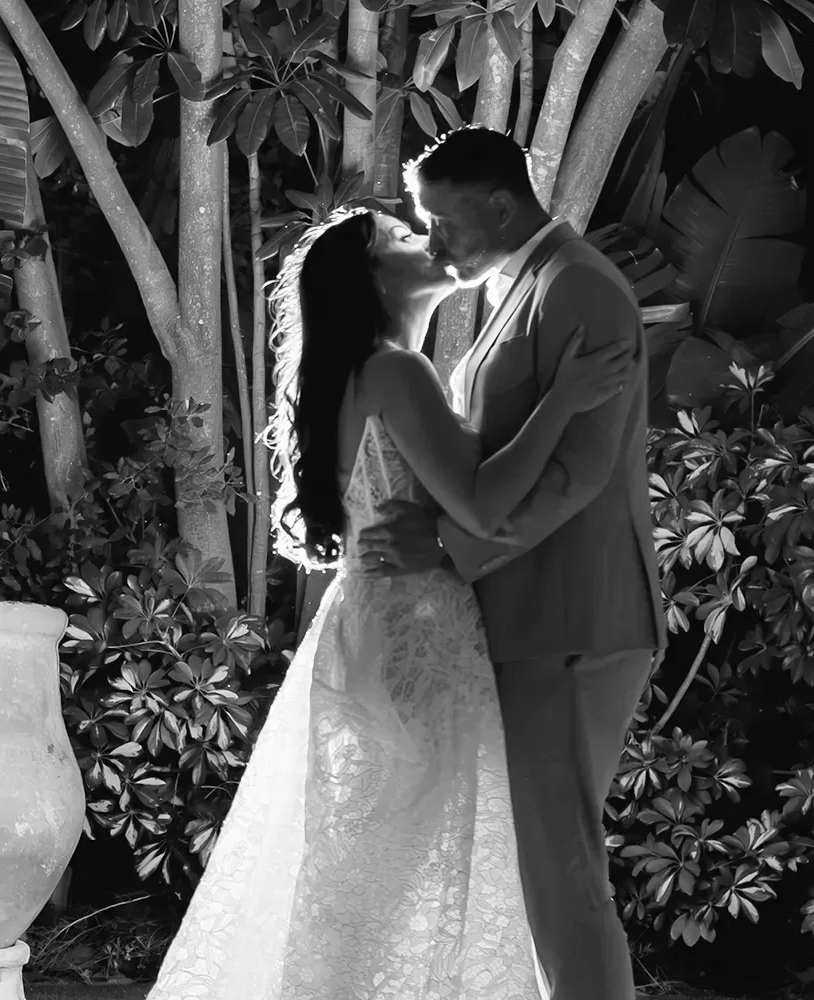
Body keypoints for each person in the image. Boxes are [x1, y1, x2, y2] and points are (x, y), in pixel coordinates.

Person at [143, 195, 634, 1000]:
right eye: (406, 233)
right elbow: (480, 505)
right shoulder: (396, 371)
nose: (429, 236)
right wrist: (563, 401)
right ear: (374, 273)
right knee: (405, 865)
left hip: (371, 621)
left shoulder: (368, 373)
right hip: (417, 632)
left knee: (367, 868)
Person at [359, 126, 667, 1000]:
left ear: (497, 202)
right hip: (535, 613)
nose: (437, 240)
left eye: (442, 219)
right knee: (544, 864)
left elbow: (579, 472)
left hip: (572, 616)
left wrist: (451, 551)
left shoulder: (579, 289)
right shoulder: (528, 282)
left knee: (562, 867)